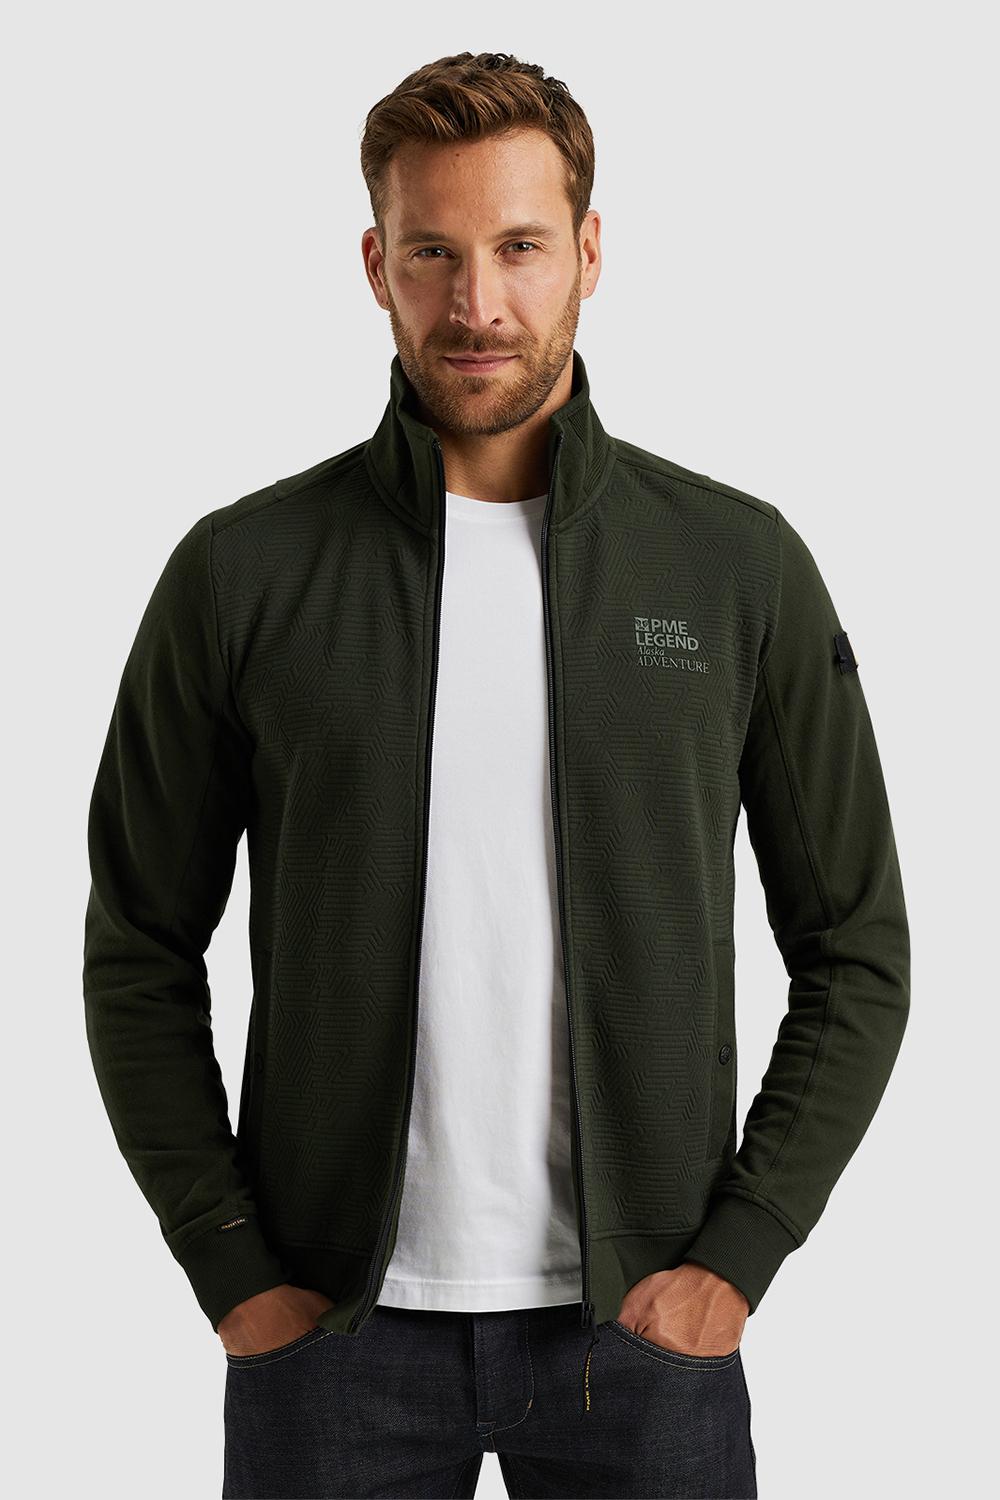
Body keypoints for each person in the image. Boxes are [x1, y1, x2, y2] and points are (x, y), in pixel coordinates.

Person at [82, 49, 910, 1500]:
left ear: (589, 251)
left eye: (520, 248)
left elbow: (857, 948)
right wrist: (231, 1266)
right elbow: (139, 948)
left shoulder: (734, 567)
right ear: (376, 265)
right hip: (331, 1340)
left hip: (643, 1340)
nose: (477, 303)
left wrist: (740, 1253)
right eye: (433, 254)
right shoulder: (243, 574)